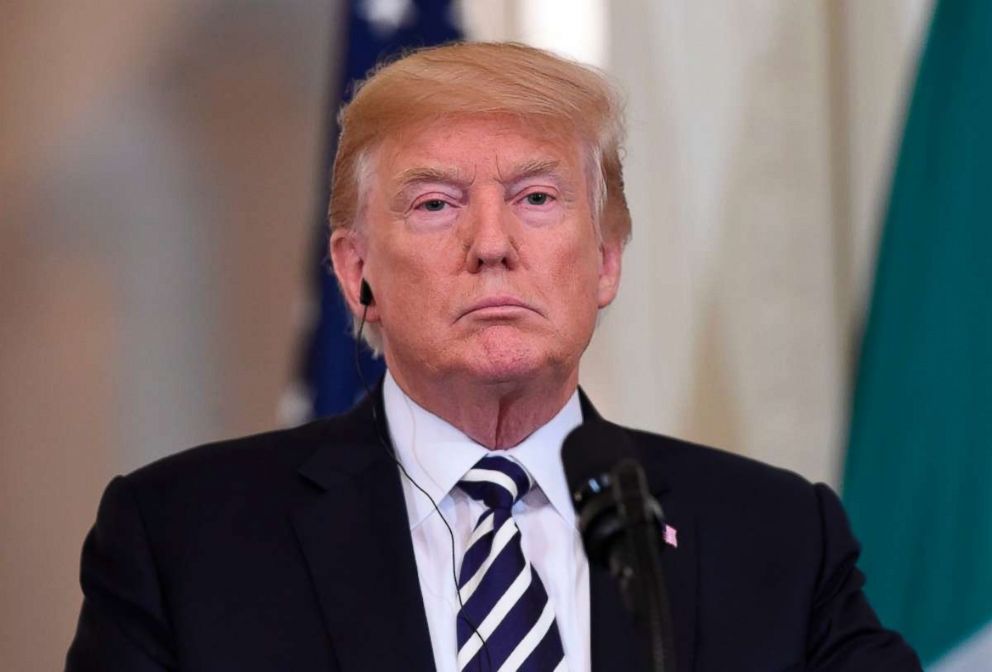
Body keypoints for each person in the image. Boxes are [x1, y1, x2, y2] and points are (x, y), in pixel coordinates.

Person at [66, 42, 921, 672]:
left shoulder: (772, 538)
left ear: (607, 259)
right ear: (356, 269)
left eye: (537, 198)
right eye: (436, 203)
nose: (492, 244)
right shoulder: (183, 541)